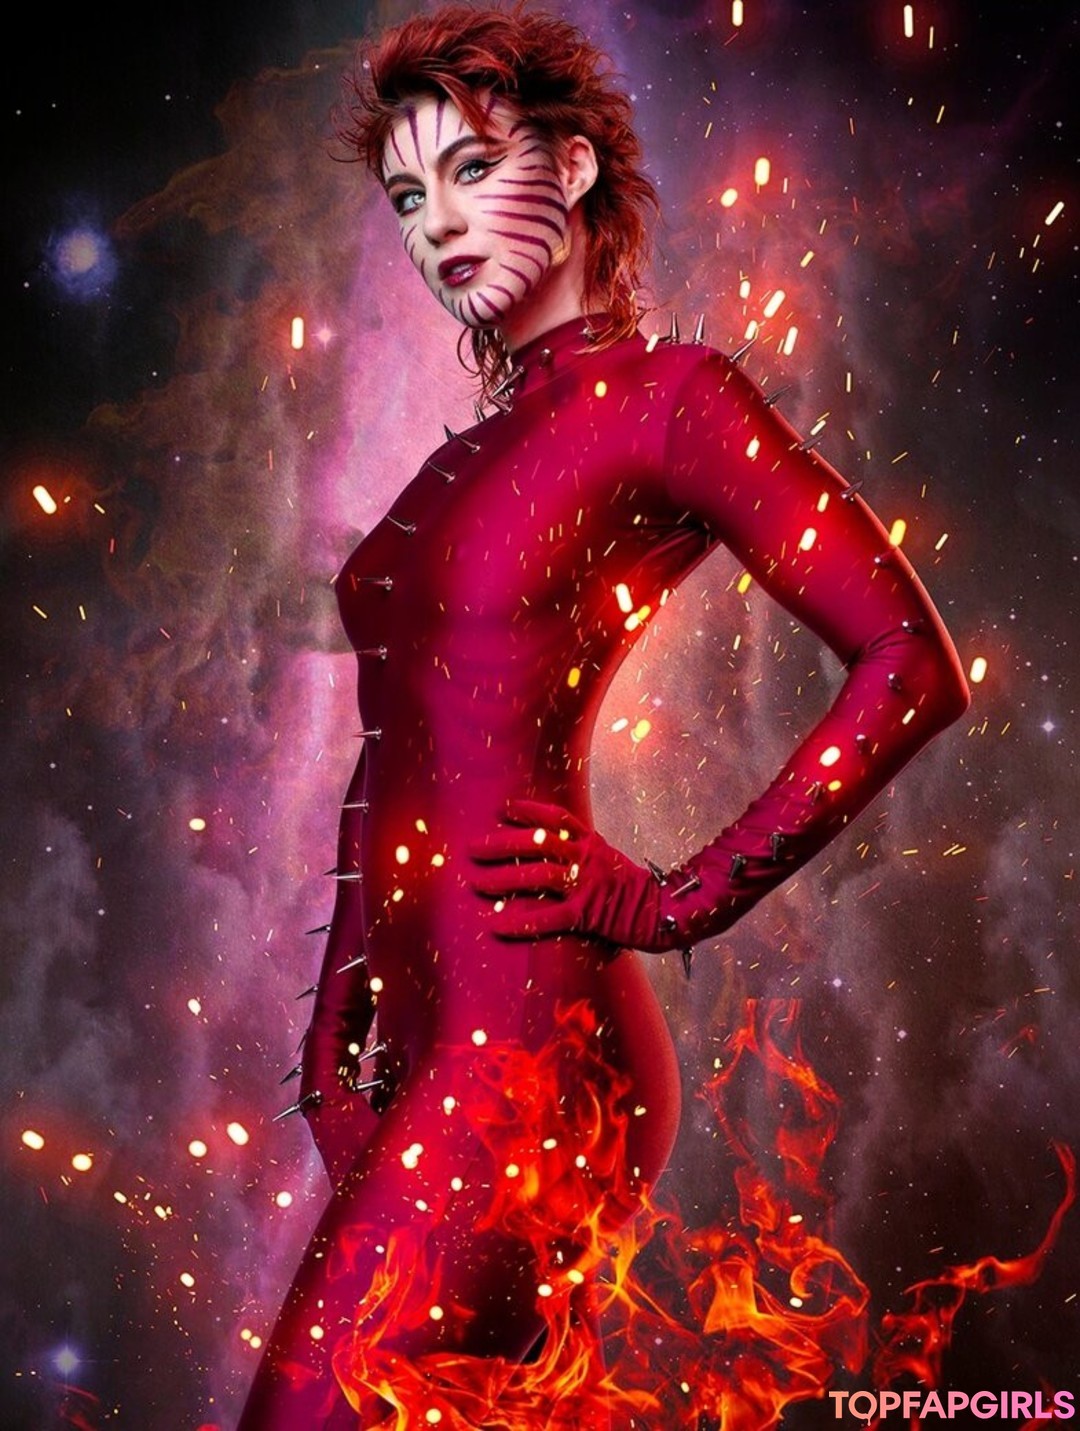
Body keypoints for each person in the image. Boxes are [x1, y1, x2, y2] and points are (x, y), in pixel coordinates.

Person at [238, 5, 970, 1426]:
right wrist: (337, 1029)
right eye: (407, 197)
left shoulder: (672, 401)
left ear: (572, 167)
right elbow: (398, 747)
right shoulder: (466, 456)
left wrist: (683, 896)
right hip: (423, 1046)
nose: (436, 224)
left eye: (470, 170)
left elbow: (909, 663)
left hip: (530, 1049)